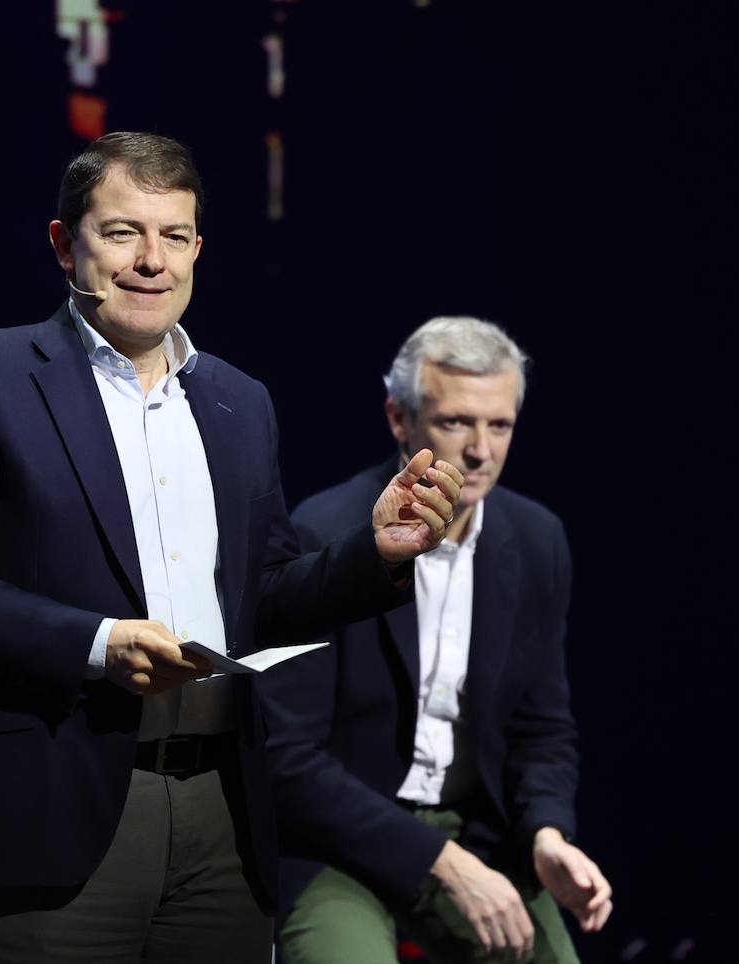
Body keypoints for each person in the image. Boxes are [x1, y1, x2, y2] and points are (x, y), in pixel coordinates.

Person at [0, 132, 464, 964]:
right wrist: (96, 644)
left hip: (221, 810)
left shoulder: (237, 400)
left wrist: (376, 555)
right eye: (122, 232)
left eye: (174, 236)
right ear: (64, 244)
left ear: (197, 248)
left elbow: (261, 597)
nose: (151, 260)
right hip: (49, 808)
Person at [258, 317, 612, 964]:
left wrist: (547, 834)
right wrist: (440, 862)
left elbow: (542, 727)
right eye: (455, 422)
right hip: (340, 842)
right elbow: (286, 759)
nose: (480, 450)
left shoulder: (537, 542)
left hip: (477, 834)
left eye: (498, 426)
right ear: (399, 419)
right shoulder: (327, 533)